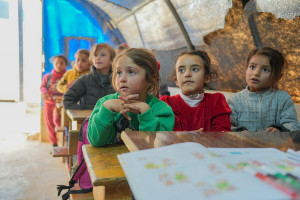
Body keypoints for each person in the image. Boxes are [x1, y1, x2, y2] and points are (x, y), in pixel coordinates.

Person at [87, 48, 175, 147]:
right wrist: (107, 109)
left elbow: (156, 146)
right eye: (119, 72)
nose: (122, 79)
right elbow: (95, 141)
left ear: (151, 78)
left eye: (131, 72)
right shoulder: (104, 103)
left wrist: (146, 113)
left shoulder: (162, 110)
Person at [229, 47, 300, 132]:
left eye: (265, 69)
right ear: (246, 69)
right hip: (243, 144)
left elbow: (293, 125)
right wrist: (238, 132)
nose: (256, 73)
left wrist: (279, 130)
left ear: (278, 77)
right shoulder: (235, 100)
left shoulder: (282, 98)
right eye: (252, 67)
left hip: (274, 145)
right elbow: (226, 126)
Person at [161, 50, 231, 132]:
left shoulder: (216, 101)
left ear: (207, 78)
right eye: (181, 70)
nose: (187, 74)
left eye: (194, 69)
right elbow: (169, 134)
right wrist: (189, 136)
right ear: (176, 80)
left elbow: (223, 133)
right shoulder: (167, 103)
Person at [63, 43, 116, 110]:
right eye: (95, 55)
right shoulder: (85, 79)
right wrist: (85, 111)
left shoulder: (117, 81)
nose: (98, 58)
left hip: (110, 120)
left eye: (103, 55)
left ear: (112, 60)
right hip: (88, 119)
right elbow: (67, 100)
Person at [40, 55, 67, 146]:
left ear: (65, 65)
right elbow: (42, 86)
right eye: (56, 63)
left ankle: (66, 140)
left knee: (58, 121)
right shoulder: (48, 76)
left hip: (61, 104)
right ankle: (54, 143)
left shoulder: (67, 76)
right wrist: (45, 92)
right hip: (49, 103)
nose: (59, 65)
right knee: (50, 123)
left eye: (61, 63)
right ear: (53, 64)